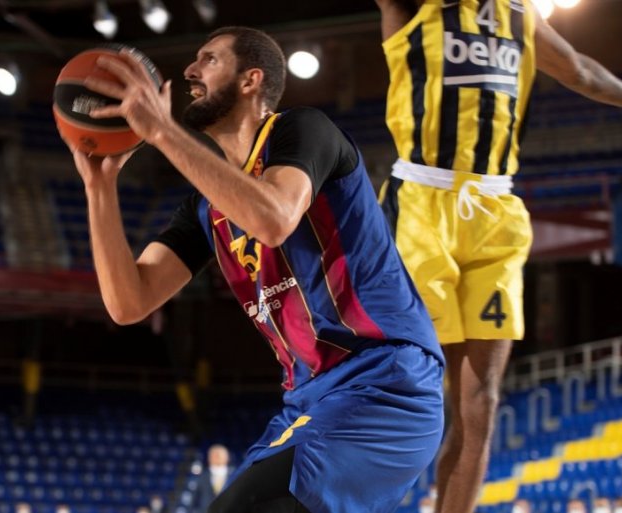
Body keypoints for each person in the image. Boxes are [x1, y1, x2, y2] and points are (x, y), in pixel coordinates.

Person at [73, 25, 444, 513]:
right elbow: (129, 302)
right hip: (310, 401)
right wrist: (99, 188)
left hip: (385, 383)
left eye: (209, 59)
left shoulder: (303, 130)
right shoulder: (207, 207)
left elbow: (273, 219)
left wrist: (161, 131)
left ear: (251, 80)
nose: (190, 70)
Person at [374, 2, 622, 513]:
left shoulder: (519, 14)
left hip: (496, 209)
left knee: (481, 401)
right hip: (422, 207)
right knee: (405, 384)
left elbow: (577, 69)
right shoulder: (417, 7)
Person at [191, 445, 234, 513]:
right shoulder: (201, 477)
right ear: (209, 458)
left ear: (227, 457)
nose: (217, 457)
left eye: (219, 455)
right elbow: (193, 501)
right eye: (214, 455)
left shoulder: (235, 474)